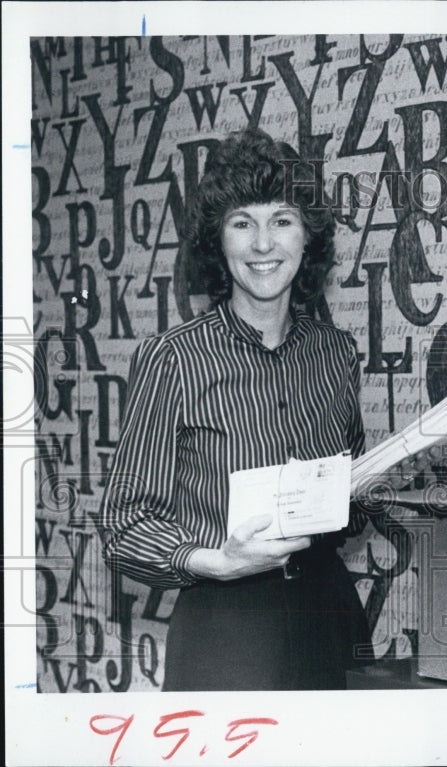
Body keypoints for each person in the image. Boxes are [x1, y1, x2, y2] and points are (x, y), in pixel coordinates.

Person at [99, 129, 371, 691]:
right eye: (242, 223)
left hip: (330, 616)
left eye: (282, 220)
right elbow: (123, 527)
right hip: (227, 627)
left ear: (307, 236)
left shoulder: (337, 352)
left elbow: (352, 501)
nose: (263, 244)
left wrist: (375, 484)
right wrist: (213, 561)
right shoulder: (173, 358)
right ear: (218, 242)